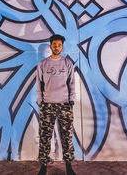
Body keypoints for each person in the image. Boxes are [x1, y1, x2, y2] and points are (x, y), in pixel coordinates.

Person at [36, 34, 76, 175]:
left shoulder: (67, 64)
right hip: (47, 105)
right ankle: (43, 165)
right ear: (50, 46)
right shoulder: (42, 64)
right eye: (54, 45)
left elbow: (71, 83)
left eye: (59, 45)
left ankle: (69, 165)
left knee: (67, 136)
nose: (57, 47)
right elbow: (39, 84)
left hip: (64, 104)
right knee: (45, 136)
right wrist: (40, 101)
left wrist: (71, 99)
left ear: (62, 46)